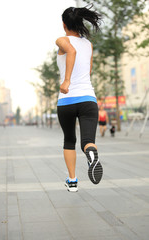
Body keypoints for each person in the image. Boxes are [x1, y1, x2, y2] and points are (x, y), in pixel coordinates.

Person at [56, 5, 103, 192]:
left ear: (64, 24)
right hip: (88, 100)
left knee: (69, 140)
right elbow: (88, 72)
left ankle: (72, 180)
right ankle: (91, 153)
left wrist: (67, 80)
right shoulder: (88, 45)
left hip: (67, 100)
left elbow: (71, 51)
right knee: (87, 141)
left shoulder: (61, 39)